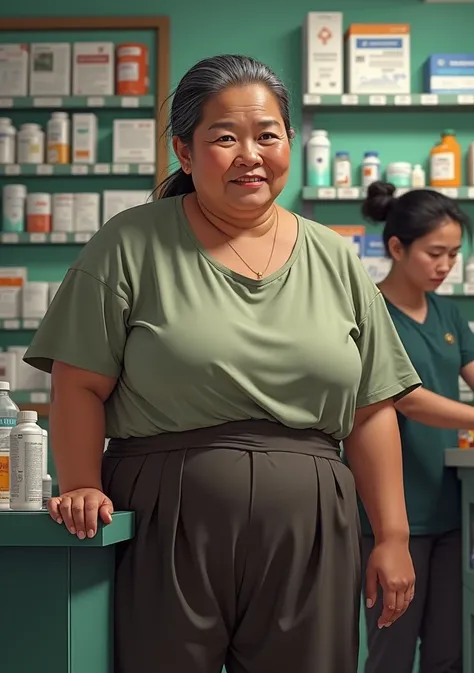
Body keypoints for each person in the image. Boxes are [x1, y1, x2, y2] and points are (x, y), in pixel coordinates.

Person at [23, 55, 419, 673]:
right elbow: (79, 382)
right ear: (185, 151)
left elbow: (372, 410)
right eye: (224, 138)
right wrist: (80, 483)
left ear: (290, 141)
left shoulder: (335, 258)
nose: (250, 154)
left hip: (312, 523)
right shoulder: (130, 243)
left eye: (267, 135)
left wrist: (392, 536)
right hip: (163, 516)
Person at [361, 181, 474, 673]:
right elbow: (406, 399)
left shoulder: (449, 312)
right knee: (392, 650)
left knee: (450, 649)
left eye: (453, 254)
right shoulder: (370, 311)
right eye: (435, 253)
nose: (446, 266)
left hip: (450, 508)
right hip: (392, 515)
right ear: (396, 247)